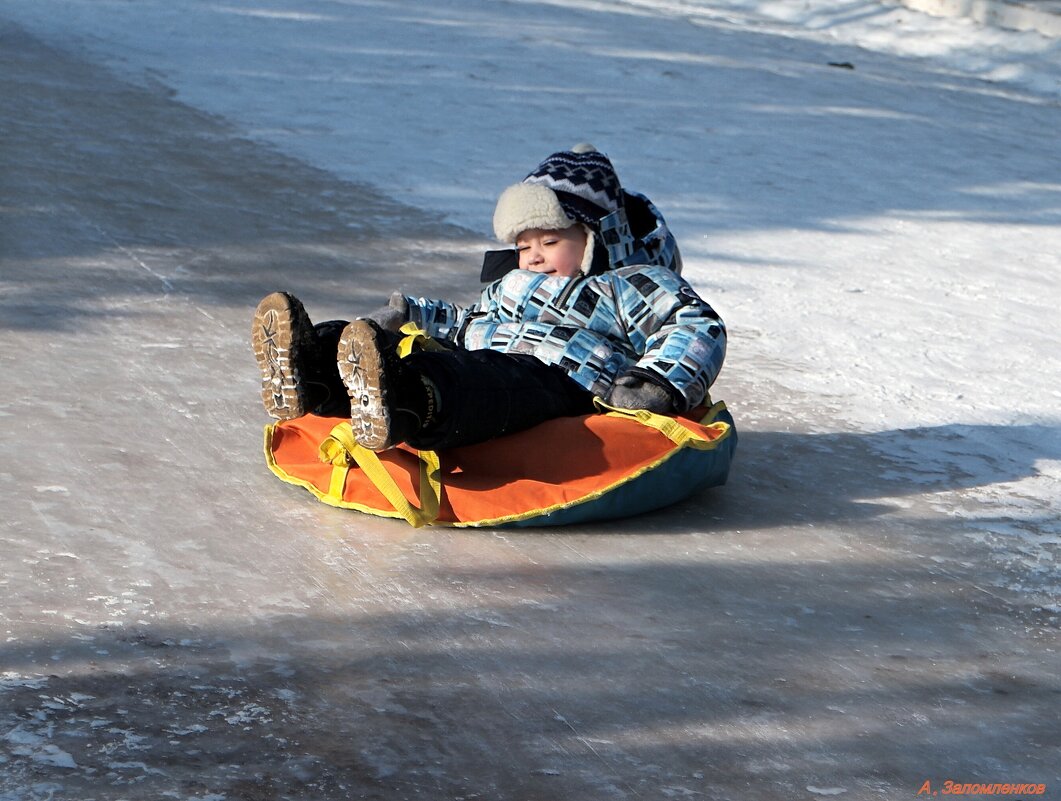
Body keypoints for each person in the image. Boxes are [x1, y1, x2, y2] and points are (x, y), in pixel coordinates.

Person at [251, 144, 727, 452]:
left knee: (482, 384)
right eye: (523, 245)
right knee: (405, 348)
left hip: (562, 375)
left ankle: (410, 401)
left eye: (550, 242)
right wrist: (408, 312)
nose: (533, 257)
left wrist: (655, 383)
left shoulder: (632, 283)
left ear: (595, 237)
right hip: (483, 347)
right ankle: (312, 371)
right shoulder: (509, 285)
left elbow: (694, 326)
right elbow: (467, 321)